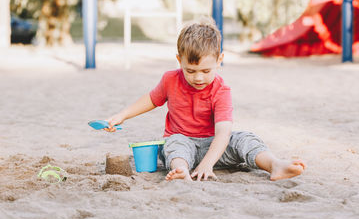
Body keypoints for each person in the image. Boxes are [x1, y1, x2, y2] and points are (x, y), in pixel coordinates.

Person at [105, 19, 306, 181]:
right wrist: (121, 116)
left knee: (245, 138)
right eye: (190, 71)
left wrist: (208, 163)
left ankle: (274, 164)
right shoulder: (170, 79)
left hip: (215, 148)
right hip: (183, 142)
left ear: (219, 60)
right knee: (172, 143)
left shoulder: (221, 90)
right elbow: (150, 100)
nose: (198, 77)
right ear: (179, 60)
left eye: (205, 71)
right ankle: (181, 171)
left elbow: (223, 133)